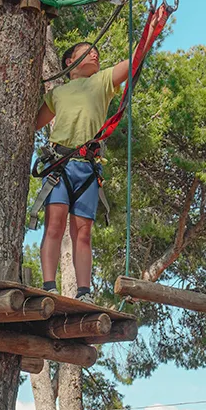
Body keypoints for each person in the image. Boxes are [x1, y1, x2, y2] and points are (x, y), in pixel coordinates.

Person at [34, 43, 129, 303]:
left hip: (87, 166)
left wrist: (154, 27)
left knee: (83, 232)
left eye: (97, 50)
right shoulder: (58, 93)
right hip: (60, 164)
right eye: (87, 51)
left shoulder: (102, 82)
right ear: (69, 62)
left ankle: (84, 292)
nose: (95, 53)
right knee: (54, 226)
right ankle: (49, 285)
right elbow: (31, 123)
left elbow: (133, 62)